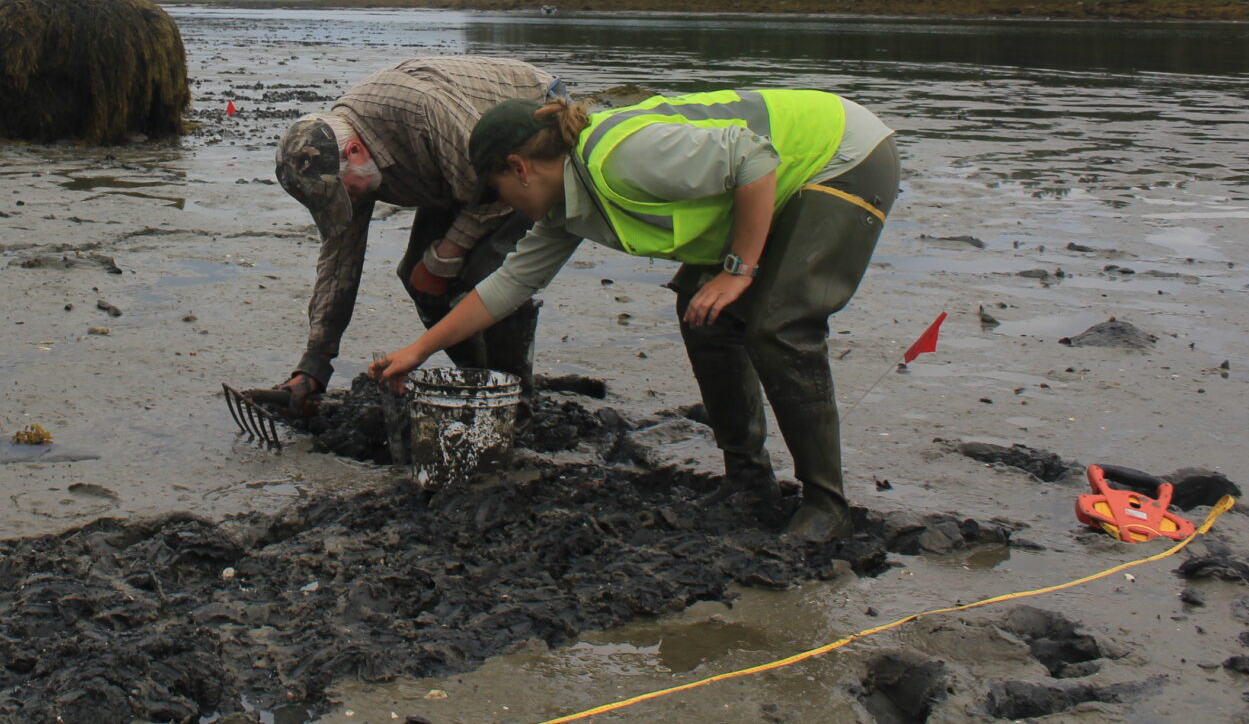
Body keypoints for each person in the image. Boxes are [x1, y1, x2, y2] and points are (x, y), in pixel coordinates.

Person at [368, 88, 898, 541]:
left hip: (842, 155)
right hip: (777, 182)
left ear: (519, 168)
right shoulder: (568, 206)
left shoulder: (620, 155)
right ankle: (748, 478)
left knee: (779, 325)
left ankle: (826, 506)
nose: (496, 203)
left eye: (494, 189)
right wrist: (418, 351)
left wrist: (738, 269)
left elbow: (752, 158)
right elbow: (507, 285)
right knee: (703, 311)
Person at [251, 56, 565, 417]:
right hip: (453, 169)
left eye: (346, 193)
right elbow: (339, 263)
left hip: (528, 134)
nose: (348, 202)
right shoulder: (344, 166)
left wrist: (447, 253)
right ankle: (478, 379)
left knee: (481, 271)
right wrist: (313, 366)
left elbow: (494, 197)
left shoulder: (421, 112)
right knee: (418, 277)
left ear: (354, 152)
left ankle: (515, 394)